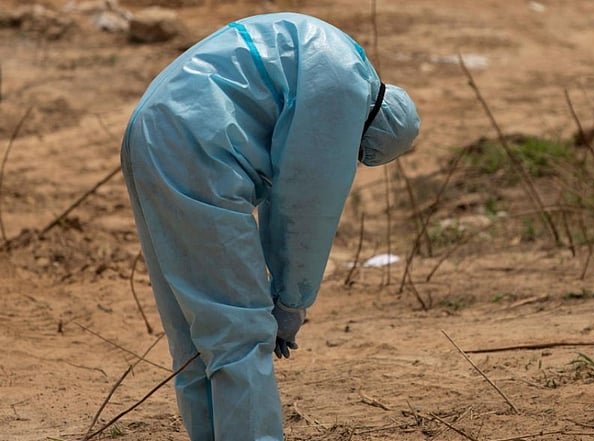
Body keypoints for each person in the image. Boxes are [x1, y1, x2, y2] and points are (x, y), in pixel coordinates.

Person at [120, 12, 419, 441]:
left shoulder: (333, 50)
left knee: (195, 335)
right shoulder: (343, 86)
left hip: (151, 129)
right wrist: (291, 301)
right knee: (242, 334)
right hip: (198, 148)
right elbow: (305, 203)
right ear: (366, 132)